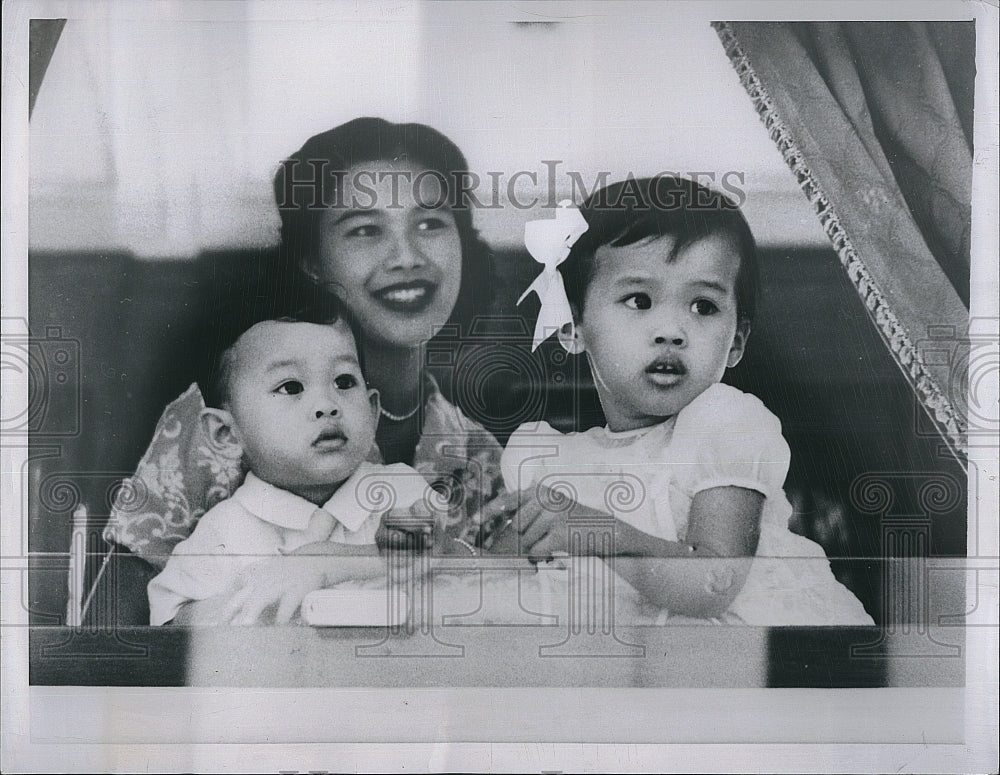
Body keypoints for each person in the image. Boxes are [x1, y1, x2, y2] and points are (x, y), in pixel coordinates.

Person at [106, 118, 510, 623]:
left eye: (430, 224)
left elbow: (501, 594)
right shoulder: (213, 423)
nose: (407, 257)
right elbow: (125, 627)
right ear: (312, 262)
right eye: (365, 229)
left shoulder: (472, 451)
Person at [501, 177, 874, 625]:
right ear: (573, 328)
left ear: (735, 342)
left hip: (749, 663)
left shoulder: (725, 424)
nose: (672, 330)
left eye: (703, 306)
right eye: (639, 300)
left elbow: (711, 585)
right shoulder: (550, 462)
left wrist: (592, 530)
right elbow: (515, 579)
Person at [147, 286, 433, 625]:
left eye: (343, 381)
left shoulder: (399, 492)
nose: (327, 405)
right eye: (291, 387)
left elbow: (462, 567)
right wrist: (259, 603)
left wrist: (333, 561)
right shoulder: (225, 531)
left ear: (372, 412)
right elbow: (169, 631)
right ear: (226, 434)